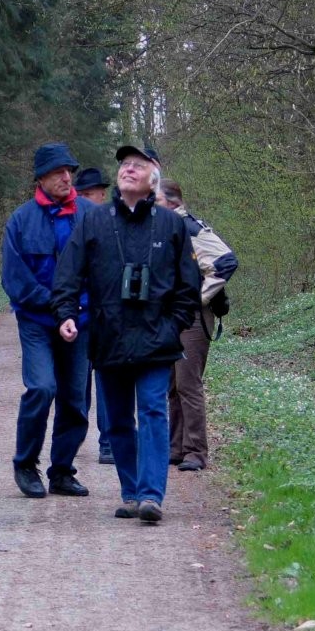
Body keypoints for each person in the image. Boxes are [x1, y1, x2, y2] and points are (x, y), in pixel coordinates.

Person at [52, 143, 200, 524]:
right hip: (109, 335)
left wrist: (174, 325)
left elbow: (188, 287)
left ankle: (152, 495)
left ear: (154, 180)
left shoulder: (172, 225)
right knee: (117, 419)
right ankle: (131, 492)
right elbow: (68, 274)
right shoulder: (94, 221)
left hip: (156, 336)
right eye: (124, 165)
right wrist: (67, 314)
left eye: (138, 165)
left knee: (152, 410)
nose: (128, 170)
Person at [2, 143, 92, 498]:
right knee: (42, 388)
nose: (66, 177)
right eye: (58, 172)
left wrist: (78, 309)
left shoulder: (89, 215)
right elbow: (16, 279)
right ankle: (26, 463)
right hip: (38, 321)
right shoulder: (21, 221)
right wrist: (57, 307)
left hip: (81, 321)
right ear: (40, 178)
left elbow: (100, 271)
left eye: (69, 170)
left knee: (75, 399)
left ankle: (62, 471)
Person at [156, 180, 238, 472]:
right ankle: (176, 448)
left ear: (173, 202)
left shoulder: (191, 228)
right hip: (171, 316)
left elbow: (227, 262)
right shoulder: (166, 229)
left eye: (156, 200)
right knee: (173, 385)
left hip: (192, 317)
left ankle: (196, 452)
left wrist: (196, 298)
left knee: (188, 384)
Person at [74, 168, 115, 465]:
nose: (89, 200)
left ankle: (109, 442)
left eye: (93, 194)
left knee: (108, 382)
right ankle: (74, 438)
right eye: (83, 195)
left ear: (103, 194)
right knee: (77, 384)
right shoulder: (74, 225)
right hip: (79, 316)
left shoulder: (117, 223)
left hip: (109, 317)